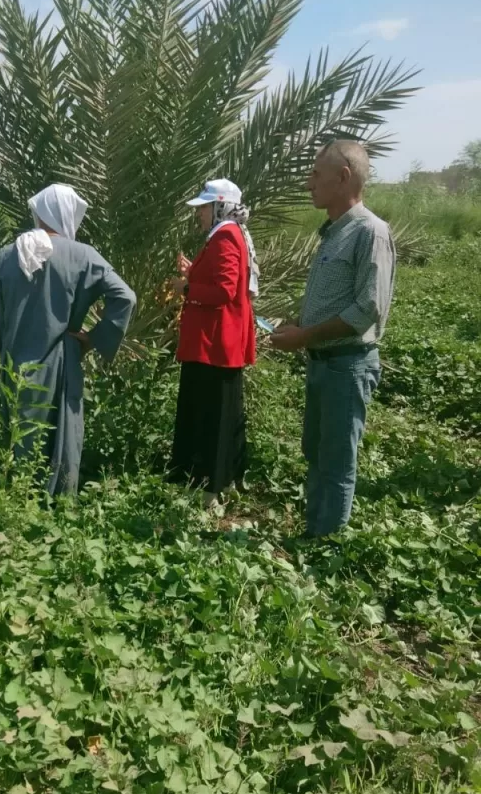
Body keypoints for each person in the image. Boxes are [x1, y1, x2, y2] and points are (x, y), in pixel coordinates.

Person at [270, 139, 396, 537]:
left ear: (344, 177)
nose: (309, 184)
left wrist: (304, 335)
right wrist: (295, 323)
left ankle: (324, 548)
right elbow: (332, 301)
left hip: (348, 365)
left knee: (337, 460)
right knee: (316, 453)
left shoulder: (370, 233)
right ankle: (313, 531)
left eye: (315, 175)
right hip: (323, 362)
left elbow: (366, 310)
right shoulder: (333, 233)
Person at [0, 183, 136, 496]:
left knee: (19, 436)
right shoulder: (82, 256)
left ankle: (18, 504)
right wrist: (92, 339)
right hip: (61, 360)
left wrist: (7, 349)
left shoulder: (7, 254)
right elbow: (125, 297)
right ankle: (60, 509)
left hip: (16, 362)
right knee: (62, 437)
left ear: (39, 213)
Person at [167, 178, 259, 508]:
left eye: (204, 208)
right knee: (225, 411)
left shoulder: (224, 237)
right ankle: (225, 478)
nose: (199, 215)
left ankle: (207, 485)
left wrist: (186, 288)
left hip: (214, 343)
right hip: (219, 341)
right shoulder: (229, 234)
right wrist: (195, 272)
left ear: (220, 207)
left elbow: (224, 291)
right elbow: (224, 279)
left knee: (210, 414)